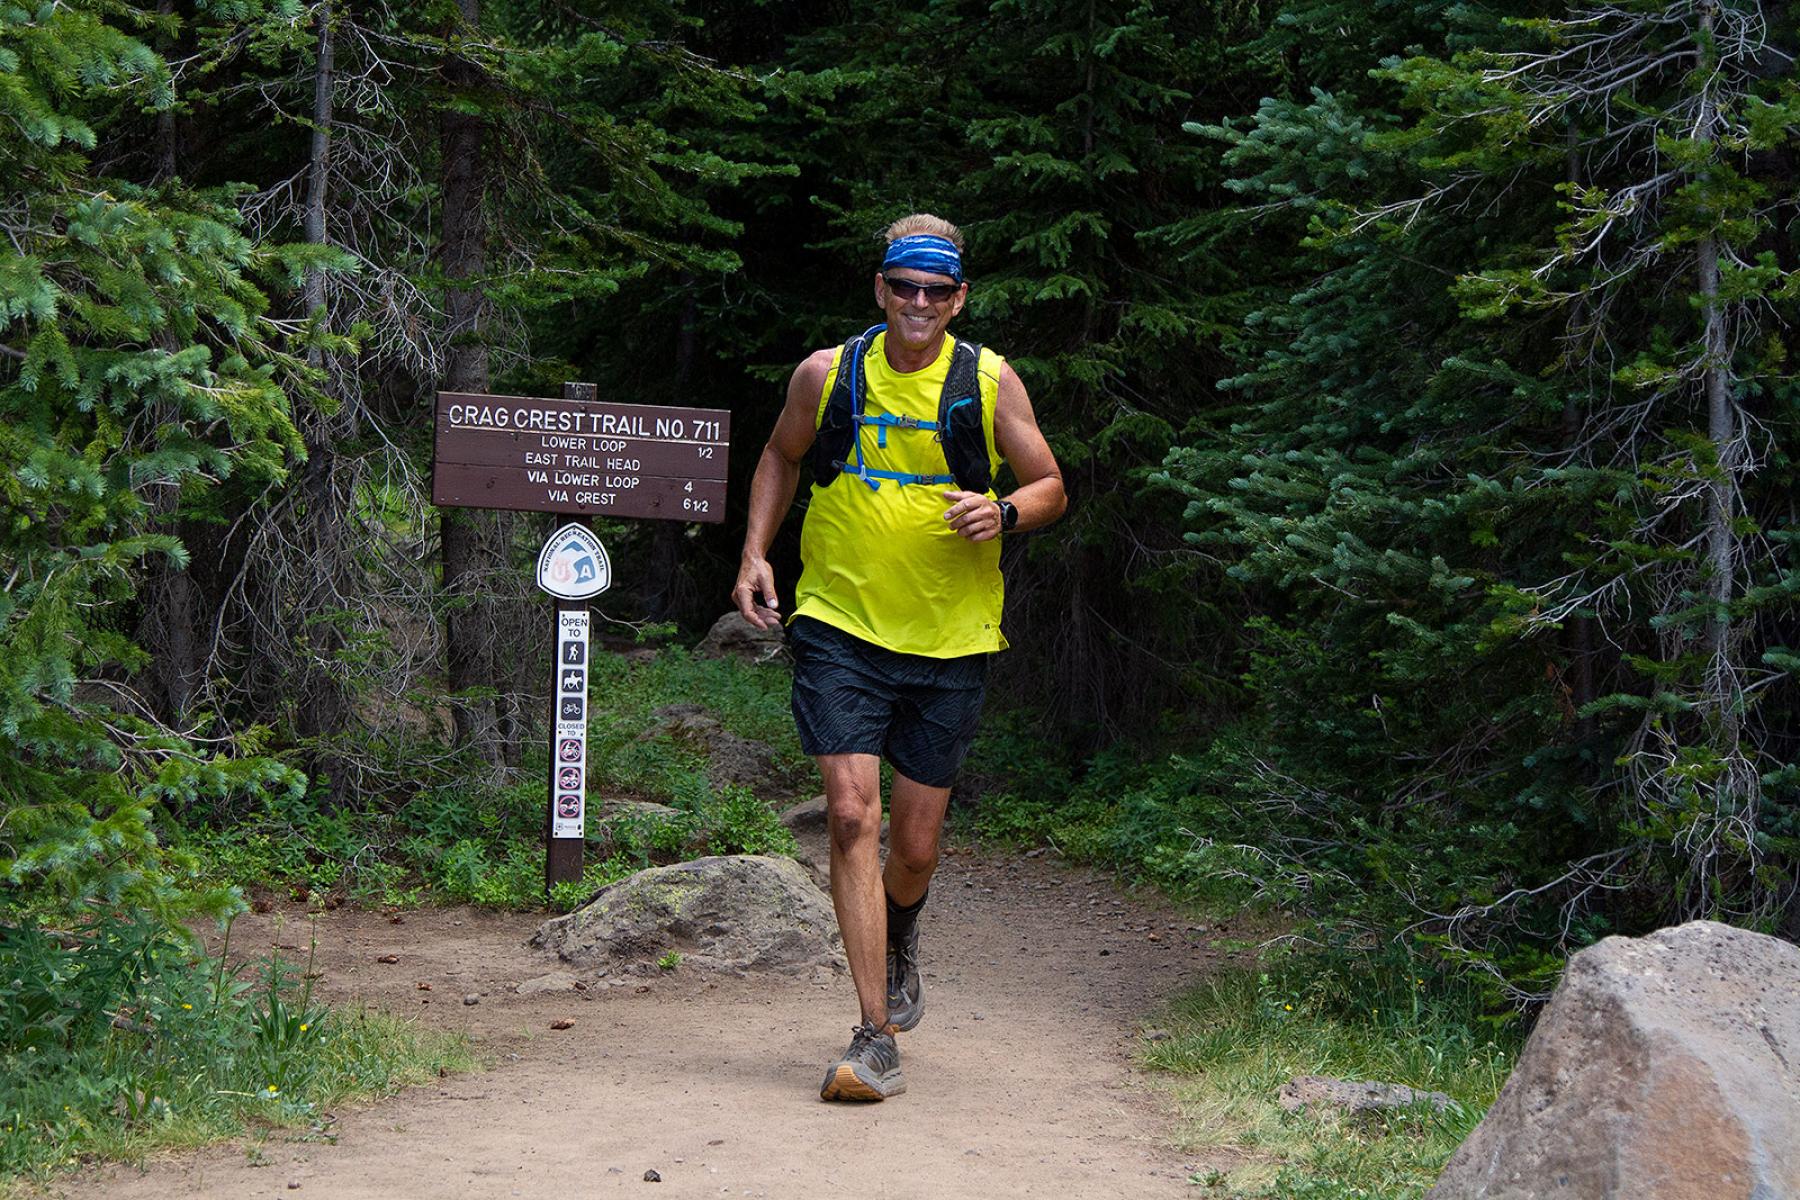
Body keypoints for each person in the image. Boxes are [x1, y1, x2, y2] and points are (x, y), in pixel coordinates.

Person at [732, 214, 1066, 1101]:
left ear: (958, 299)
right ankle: (874, 1035)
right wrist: (755, 553)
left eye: (936, 291)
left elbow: (1051, 484)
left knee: (913, 847)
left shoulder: (988, 382)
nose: (918, 303)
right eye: (903, 286)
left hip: (951, 640)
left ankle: (902, 927)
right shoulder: (829, 373)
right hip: (840, 624)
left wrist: (1007, 512)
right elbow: (779, 454)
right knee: (851, 817)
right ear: (880, 289)